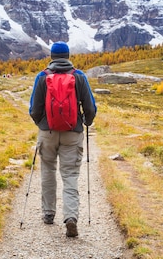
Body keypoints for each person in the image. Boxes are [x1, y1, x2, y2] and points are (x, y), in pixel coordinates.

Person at [28, 41, 96, 237]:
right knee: (70, 175)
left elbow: (34, 109)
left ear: (52, 57)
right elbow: (90, 107)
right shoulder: (79, 76)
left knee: (48, 170)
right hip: (72, 132)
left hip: (47, 132)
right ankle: (71, 217)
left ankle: (49, 213)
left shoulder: (42, 76)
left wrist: (41, 123)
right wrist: (86, 122)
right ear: (67, 56)